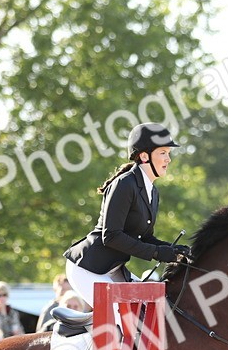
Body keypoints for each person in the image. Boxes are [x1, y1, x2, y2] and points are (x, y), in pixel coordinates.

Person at [62, 122, 191, 307]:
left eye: (168, 154)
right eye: (163, 153)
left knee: (147, 309)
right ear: (144, 156)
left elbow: (145, 237)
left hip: (113, 269)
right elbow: (111, 236)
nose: (168, 159)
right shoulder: (124, 184)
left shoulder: (152, 192)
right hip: (87, 269)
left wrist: (172, 250)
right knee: (119, 318)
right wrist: (156, 252)